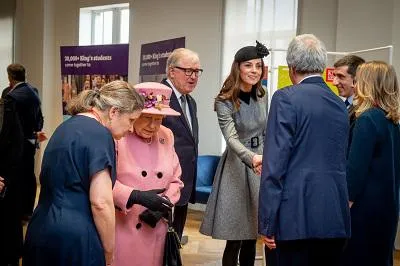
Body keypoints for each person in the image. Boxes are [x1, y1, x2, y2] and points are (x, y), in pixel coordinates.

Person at [23, 81, 172, 266]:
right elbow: (101, 202)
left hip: (41, 228)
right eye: (131, 120)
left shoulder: (66, 126)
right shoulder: (100, 135)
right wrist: (109, 252)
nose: (131, 128)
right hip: (76, 236)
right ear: (114, 112)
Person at [258, 34, 350, 266]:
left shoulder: (285, 98)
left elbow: (274, 165)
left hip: (294, 219)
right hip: (334, 217)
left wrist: (267, 223)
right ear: (322, 65)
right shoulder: (340, 105)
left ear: (292, 67)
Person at [200, 41, 269, 266]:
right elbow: (231, 138)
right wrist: (252, 158)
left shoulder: (263, 94)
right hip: (238, 166)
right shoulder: (225, 100)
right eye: (249, 66)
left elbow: (267, 130)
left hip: (261, 163)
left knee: (252, 236)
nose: (254, 71)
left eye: (258, 66)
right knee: (236, 236)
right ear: (237, 67)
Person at [112, 82, 184, 266]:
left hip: (156, 226)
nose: (153, 125)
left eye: (159, 119)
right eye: (147, 117)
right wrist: (134, 196)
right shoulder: (118, 136)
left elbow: (176, 180)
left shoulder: (166, 135)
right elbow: (105, 183)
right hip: (124, 226)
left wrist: (163, 204)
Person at [340, 61, 400, 266]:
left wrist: (342, 208)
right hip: (387, 209)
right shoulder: (391, 121)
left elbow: (355, 171)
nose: (354, 86)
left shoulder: (366, 120)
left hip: (363, 211)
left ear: (369, 84)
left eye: (358, 81)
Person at [161, 48, 201, 243]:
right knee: (160, 242)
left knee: (174, 242)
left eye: (197, 71)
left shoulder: (190, 101)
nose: (193, 77)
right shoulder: (158, 99)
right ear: (171, 71)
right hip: (163, 183)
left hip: (184, 180)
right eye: (188, 71)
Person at [1, 63, 45, 221]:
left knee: (19, 176)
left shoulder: (10, 96)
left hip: (17, 144)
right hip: (30, 141)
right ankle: (25, 210)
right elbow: (40, 117)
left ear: (10, 76)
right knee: (27, 175)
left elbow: (7, 125)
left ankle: (20, 210)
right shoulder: (32, 92)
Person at [0, 82, 25, 266]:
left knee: (10, 220)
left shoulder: (8, 109)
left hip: (9, 177)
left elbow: (17, 146)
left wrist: (7, 178)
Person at [333, 55, 365, 125]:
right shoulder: (344, 105)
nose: (334, 82)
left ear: (356, 79)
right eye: (334, 76)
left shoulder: (363, 111)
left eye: (341, 76)